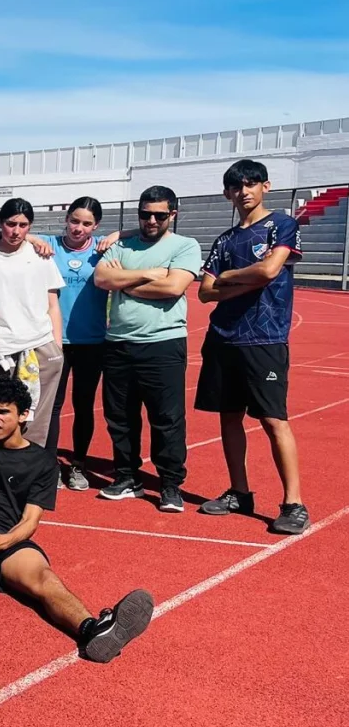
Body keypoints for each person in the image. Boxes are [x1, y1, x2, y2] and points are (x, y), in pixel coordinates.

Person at [0, 375, 154, 663]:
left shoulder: (43, 462)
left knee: (44, 579)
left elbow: (30, 522)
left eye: (3, 412)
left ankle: (93, 630)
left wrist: (3, 540)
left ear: (23, 415)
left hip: (6, 539)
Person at [196, 160, 307, 533]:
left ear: (265, 186)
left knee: (274, 420)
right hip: (224, 339)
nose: (244, 191)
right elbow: (205, 293)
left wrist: (228, 278)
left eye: (251, 184)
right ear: (227, 193)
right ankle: (239, 491)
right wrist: (237, 281)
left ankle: (294, 503)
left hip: (265, 339)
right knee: (229, 417)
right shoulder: (225, 240)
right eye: (236, 186)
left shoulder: (281, 224)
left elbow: (269, 270)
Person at [93, 186, 203, 513]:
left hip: (163, 344)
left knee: (166, 418)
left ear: (173, 215)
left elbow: (173, 287)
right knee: (120, 417)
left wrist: (124, 280)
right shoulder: (123, 244)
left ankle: (170, 484)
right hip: (118, 344)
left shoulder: (185, 246)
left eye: (159, 215)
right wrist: (145, 274)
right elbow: (101, 278)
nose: (151, 220)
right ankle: (127, 477)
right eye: (145, 214)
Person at [0, 199, 65, 449]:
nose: (16, 231)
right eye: (10, 224)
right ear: (0, 223)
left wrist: (57, 348)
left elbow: (53, 305)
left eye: (23, 225)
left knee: (36, 421)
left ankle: (31, 472)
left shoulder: (41, 257)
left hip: (39, 347)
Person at [42, 197, 109, 491]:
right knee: (51, 406)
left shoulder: (102, 248)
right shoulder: (50, 245)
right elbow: (9, 232)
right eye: (74, 221)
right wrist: (33, 238)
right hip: (55, 340)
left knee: (83, 405)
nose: (78, 228)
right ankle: (50, 466)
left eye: (86, 223)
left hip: (91, 341)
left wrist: (120, 234)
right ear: (66, 218)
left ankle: (78, 465)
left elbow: (135, 233)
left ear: (96, 226)